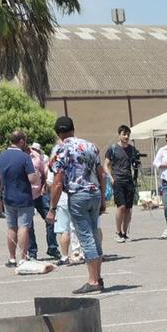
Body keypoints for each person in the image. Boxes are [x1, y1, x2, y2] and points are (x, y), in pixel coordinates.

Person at [48, 115, 105, 293]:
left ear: (58, 133)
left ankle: (93, 281)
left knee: (85, 236)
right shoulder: (90, 146)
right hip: (94, 192)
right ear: (73, 129)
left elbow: (57, 182)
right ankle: (98, 276)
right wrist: (103, 197)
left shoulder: (60, 150)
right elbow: (101, 173)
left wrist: (52, 208)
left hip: (77, 194)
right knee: (94, 234)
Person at [0, 131, 38, 266]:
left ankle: (12, 258)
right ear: (22, 141)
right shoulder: (24, 157)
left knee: (11, 227)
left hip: (8, 197)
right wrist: (36, 176)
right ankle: (23, 258)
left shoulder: (1, 156)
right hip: (24, 197)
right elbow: (32, 178)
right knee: (24, 227)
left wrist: (2, 188)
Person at [104, 124, 141, 243]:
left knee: (129, 209)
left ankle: (125, 233)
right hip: (118, 180)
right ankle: (118, 232)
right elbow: (106, 165)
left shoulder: (132, 149)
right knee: (121, 207)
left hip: (129, 180)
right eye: (124, 134)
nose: (126, 136)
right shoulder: (113, 148)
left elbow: (135, 164)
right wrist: (111, 178)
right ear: (119, 135)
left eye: (128, 134)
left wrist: (137, 166)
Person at [29, 141, 58, 259]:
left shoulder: (42, 158)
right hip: (28, 195)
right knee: (29, 224)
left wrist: (44, 186)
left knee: (50, 220)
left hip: (40, 194)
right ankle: (32, 251)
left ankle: (52, 247)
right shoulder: (24, 159)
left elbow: (45, 173)